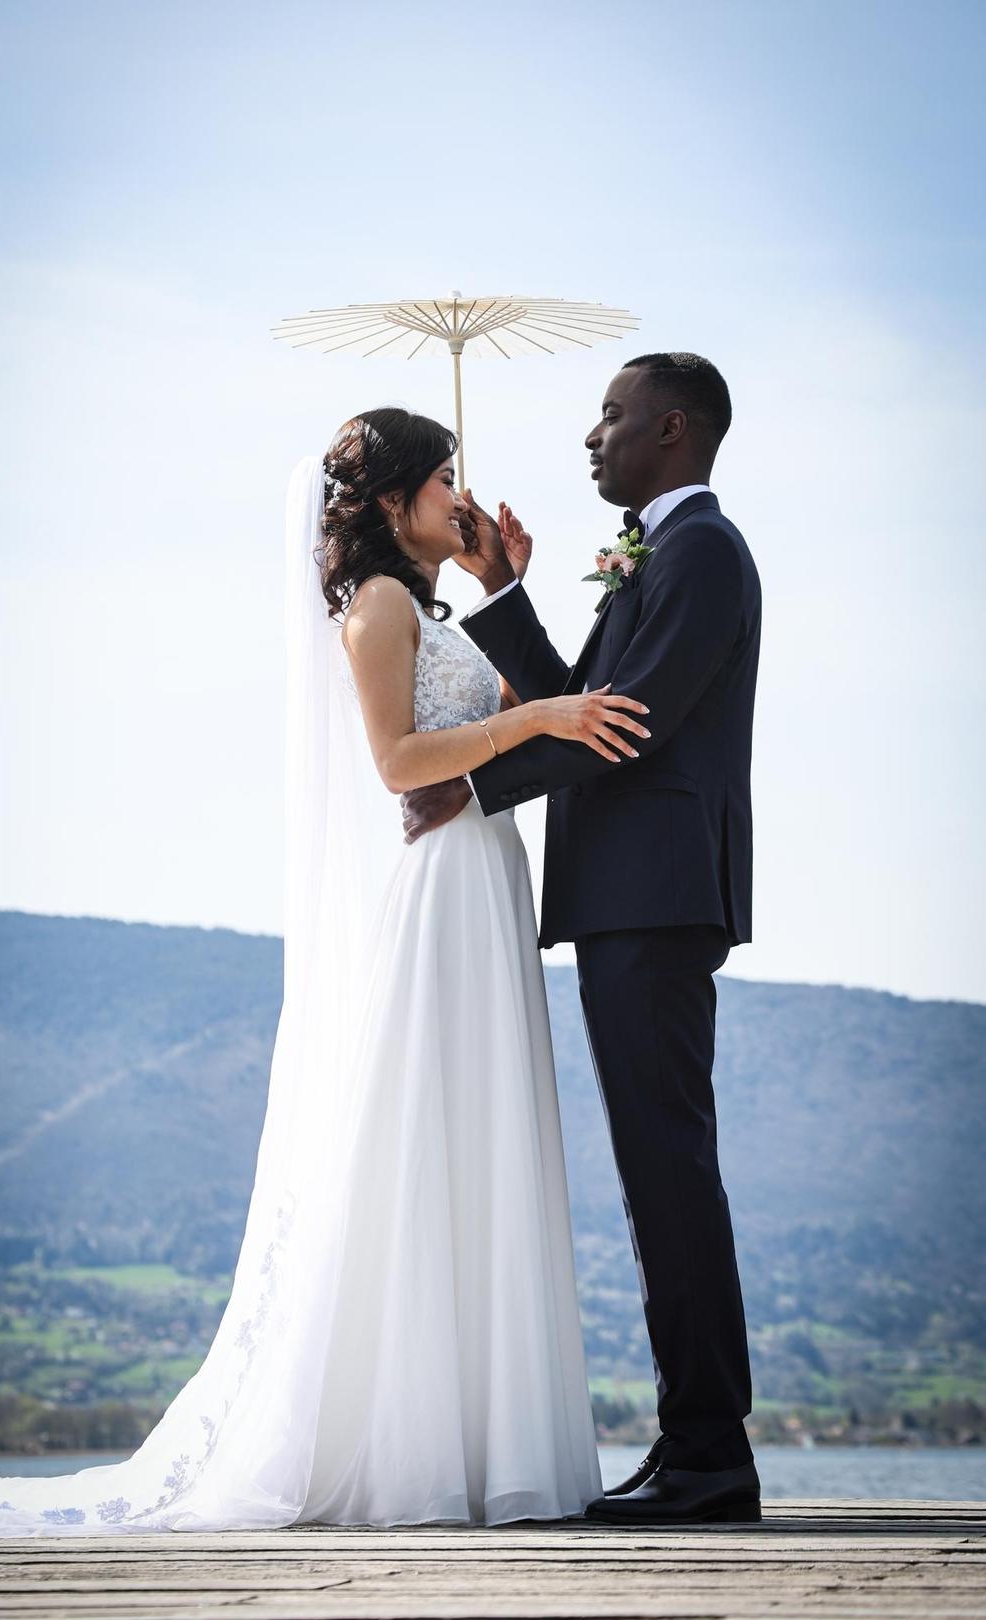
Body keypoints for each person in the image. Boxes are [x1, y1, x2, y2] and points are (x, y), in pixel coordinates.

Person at [0, 407, 651, 1540]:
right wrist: (541, 711)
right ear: (395, 503)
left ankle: (483, 1434)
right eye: (447, 480)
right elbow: (400, 762)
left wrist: (508, 598)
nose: (464, 498)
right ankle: (420, 1447)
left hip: (482, 873)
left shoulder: (430, 605)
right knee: (437, 1134)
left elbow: (506, 728)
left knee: (480, 1132)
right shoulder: (380, 607)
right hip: (442, 887)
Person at [403, 354, 764, 1526]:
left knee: (670, 1172)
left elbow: (631, 729)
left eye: (610, 417)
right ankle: (690, 1444)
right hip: (627, 899)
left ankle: (711, 1454)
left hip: (654, 899)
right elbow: (575, 698)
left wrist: (470, 786)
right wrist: (502, 588)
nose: (590, 437)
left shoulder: (703, 550)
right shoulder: (660, 555)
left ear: (673, 428)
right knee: (655, 1174)